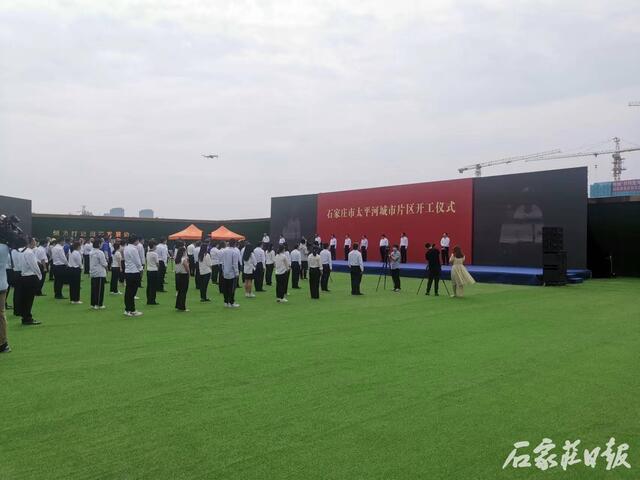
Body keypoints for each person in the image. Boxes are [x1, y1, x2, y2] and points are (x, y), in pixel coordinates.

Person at [19, 237, 42, 325]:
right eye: (34, 241)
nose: (35, 242)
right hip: (30, 277)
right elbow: (34, 266)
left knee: (25, 298)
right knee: (29, 299)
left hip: (23, 276)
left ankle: (25, 317)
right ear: (31, 242)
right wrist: (39, 275)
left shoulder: (22, 251)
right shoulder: (29, 252)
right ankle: (27, 318)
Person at [123, 235, 143, 316]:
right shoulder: (134, 249)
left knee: (128, 292)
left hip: (128, 271)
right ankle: (132, 310)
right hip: (134, 272)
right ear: (135, 241)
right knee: (132, 292)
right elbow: (137, 261)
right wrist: (141, 269)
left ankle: (127, 309)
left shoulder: (126, 248)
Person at [220, 239, 240, 307]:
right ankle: (231, 302)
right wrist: (237, 273)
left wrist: (223, 270)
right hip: (232, 273)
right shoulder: (235, 252)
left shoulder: (224, 251)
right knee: (232, 289)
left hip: (225, 272)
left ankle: (226, 302)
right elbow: (235, 264)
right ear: (235, 244)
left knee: (226, 288)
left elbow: (222, 262)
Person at [0, 239, 12, 351]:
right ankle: (3, 342)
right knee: (1, 313)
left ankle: (3, 343)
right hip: (2, 284)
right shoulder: (5, 247)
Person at [89, 238, 108, 309]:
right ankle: (98, 304)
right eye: (101, 243)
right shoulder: (100, 252)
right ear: (99, 244)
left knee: (94, 289)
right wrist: (107, 266)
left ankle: (93, 304)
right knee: (99, 289)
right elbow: (104, 263)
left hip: (93, 272)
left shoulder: (91, 252)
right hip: (99, 273)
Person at [174, 242, 190, 311]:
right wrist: (189, 273)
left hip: (178, 275)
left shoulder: (177, 259)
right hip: (184, 275)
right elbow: (187, 268)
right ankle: (182, 307)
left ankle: (178, 305)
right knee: (183, 291)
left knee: (180, 291)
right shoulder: (183, 259)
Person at [10, 246, 24, 316]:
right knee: (21, 292)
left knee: (16, 292)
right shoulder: (21, 251)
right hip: (20, 272)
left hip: (15, 272)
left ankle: (16, 310)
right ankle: (19, 310)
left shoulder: (12, 251)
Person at [146, 240, 160, 305]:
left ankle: (149, 299)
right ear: (154, 246)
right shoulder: (155, 254)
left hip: (149, 270)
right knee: (153, 286)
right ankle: (152, 300)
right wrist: (158, 268)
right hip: (154, 271)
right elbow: (157, 263)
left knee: (149, 286)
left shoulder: (147, 253)